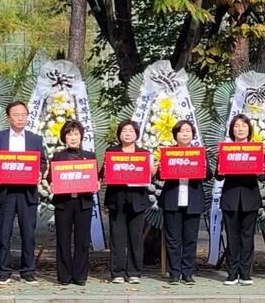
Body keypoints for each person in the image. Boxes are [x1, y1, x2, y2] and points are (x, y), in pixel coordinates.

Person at [0, 101, 47, 285]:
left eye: (23, 115)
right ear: (8, 118)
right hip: (5, 192)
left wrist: (40, 172)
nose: (20, 118)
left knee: (28, 234)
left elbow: (42, 162)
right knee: (4, 233)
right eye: (16, 115)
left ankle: (27, 271)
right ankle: (4, 271)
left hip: (27, 192)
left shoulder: (35, 139)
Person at [160, 120, 212, 285]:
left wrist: (202, 168)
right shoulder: (169, 152)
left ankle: (188, 273)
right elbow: (159, 175)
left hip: (193, 200)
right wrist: (161, 167)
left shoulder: (199, 153)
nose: (184, 134)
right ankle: (174, 273)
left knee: (190, 239)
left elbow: (209, 174)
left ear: (193, 135)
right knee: (173, 239)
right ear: (175, 135)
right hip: (172, 199)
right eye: (181, 131)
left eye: (188, 131)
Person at [102, 120, 153, 284]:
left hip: (137, 199)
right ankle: (117, 272)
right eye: (124, 130)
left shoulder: (144, 153)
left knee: (136, 237)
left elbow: (150, 177)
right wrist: (106, 169)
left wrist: (151, 171)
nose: (128, 134)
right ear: (119, 134)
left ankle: (134, 272)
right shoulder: (111, 152)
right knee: (117, 237)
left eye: (131, 131)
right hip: (117, 199)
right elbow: (103, 174)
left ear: (136, 134)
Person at [49, 120, 96, 286]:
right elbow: (51, 178)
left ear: (81, 136)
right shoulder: (58, 157)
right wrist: (51, 184)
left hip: (83, 203)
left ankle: (80, 276)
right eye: (69, 134)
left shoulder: (90, 156)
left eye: (76, 134)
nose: (73, 137)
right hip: (64, 203)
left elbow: (95, 177)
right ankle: (64, 276)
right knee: (63, 239)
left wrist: (96, 183)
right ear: (64, 137)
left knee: (82, 241)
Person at [218, 115, 262, 285]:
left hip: (250, 197)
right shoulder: (226, 149)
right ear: (232, 130)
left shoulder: (256, 149)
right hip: (230, 197)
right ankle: (231, 273)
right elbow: (218, 176)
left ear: (249, 129)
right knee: (232, 236)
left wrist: (259, 170)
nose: (240, 129)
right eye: (237, 126)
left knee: (247, 236)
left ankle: (245, 273)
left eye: (244, 125)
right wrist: (220, 171)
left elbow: (263, 176)